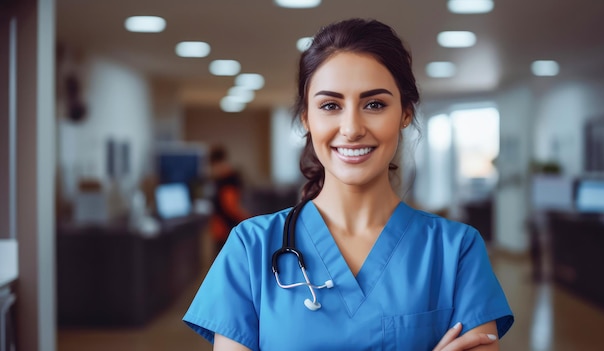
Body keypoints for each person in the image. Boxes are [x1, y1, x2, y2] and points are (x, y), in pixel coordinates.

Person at [183, 18, 514, 351]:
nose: (352, 127)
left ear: (405, 114)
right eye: (330, 106)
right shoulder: (250, 248)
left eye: (374, 104)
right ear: (306, 119)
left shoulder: (457, 251)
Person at [205, 144, 250, 252]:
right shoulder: (221, 179)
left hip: (227, 229)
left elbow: (230, 206)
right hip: (221, 229)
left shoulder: (228, 180)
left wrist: (247, 220)